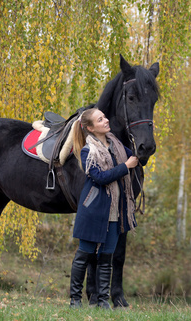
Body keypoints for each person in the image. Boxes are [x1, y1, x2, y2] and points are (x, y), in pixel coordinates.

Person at [69, 108, 138, 309]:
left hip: (115, 211)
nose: (106, 120)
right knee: (84, 254)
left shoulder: (117, 146)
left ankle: (102, 301)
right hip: (94, 210)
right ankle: (75, 299)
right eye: (100, 119)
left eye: (104, 117)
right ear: (90, 128)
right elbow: (99, 177)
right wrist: (126, 166)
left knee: (107, 257)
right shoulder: (87, 151)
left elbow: (136, 158)